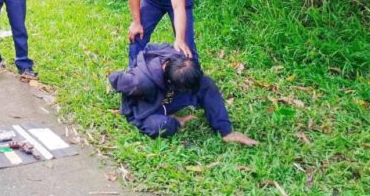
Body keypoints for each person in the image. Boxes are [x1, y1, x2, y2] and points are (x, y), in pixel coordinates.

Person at [108, 43, 258, 146]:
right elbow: (114, 78)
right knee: (161, 126)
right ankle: (176, 121)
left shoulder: (176, 54)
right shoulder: (140, 81)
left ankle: (225, 131)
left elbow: (150, 47)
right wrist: (128, 103)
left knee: (206, 83)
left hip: (167, 95)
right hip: (146, 108)